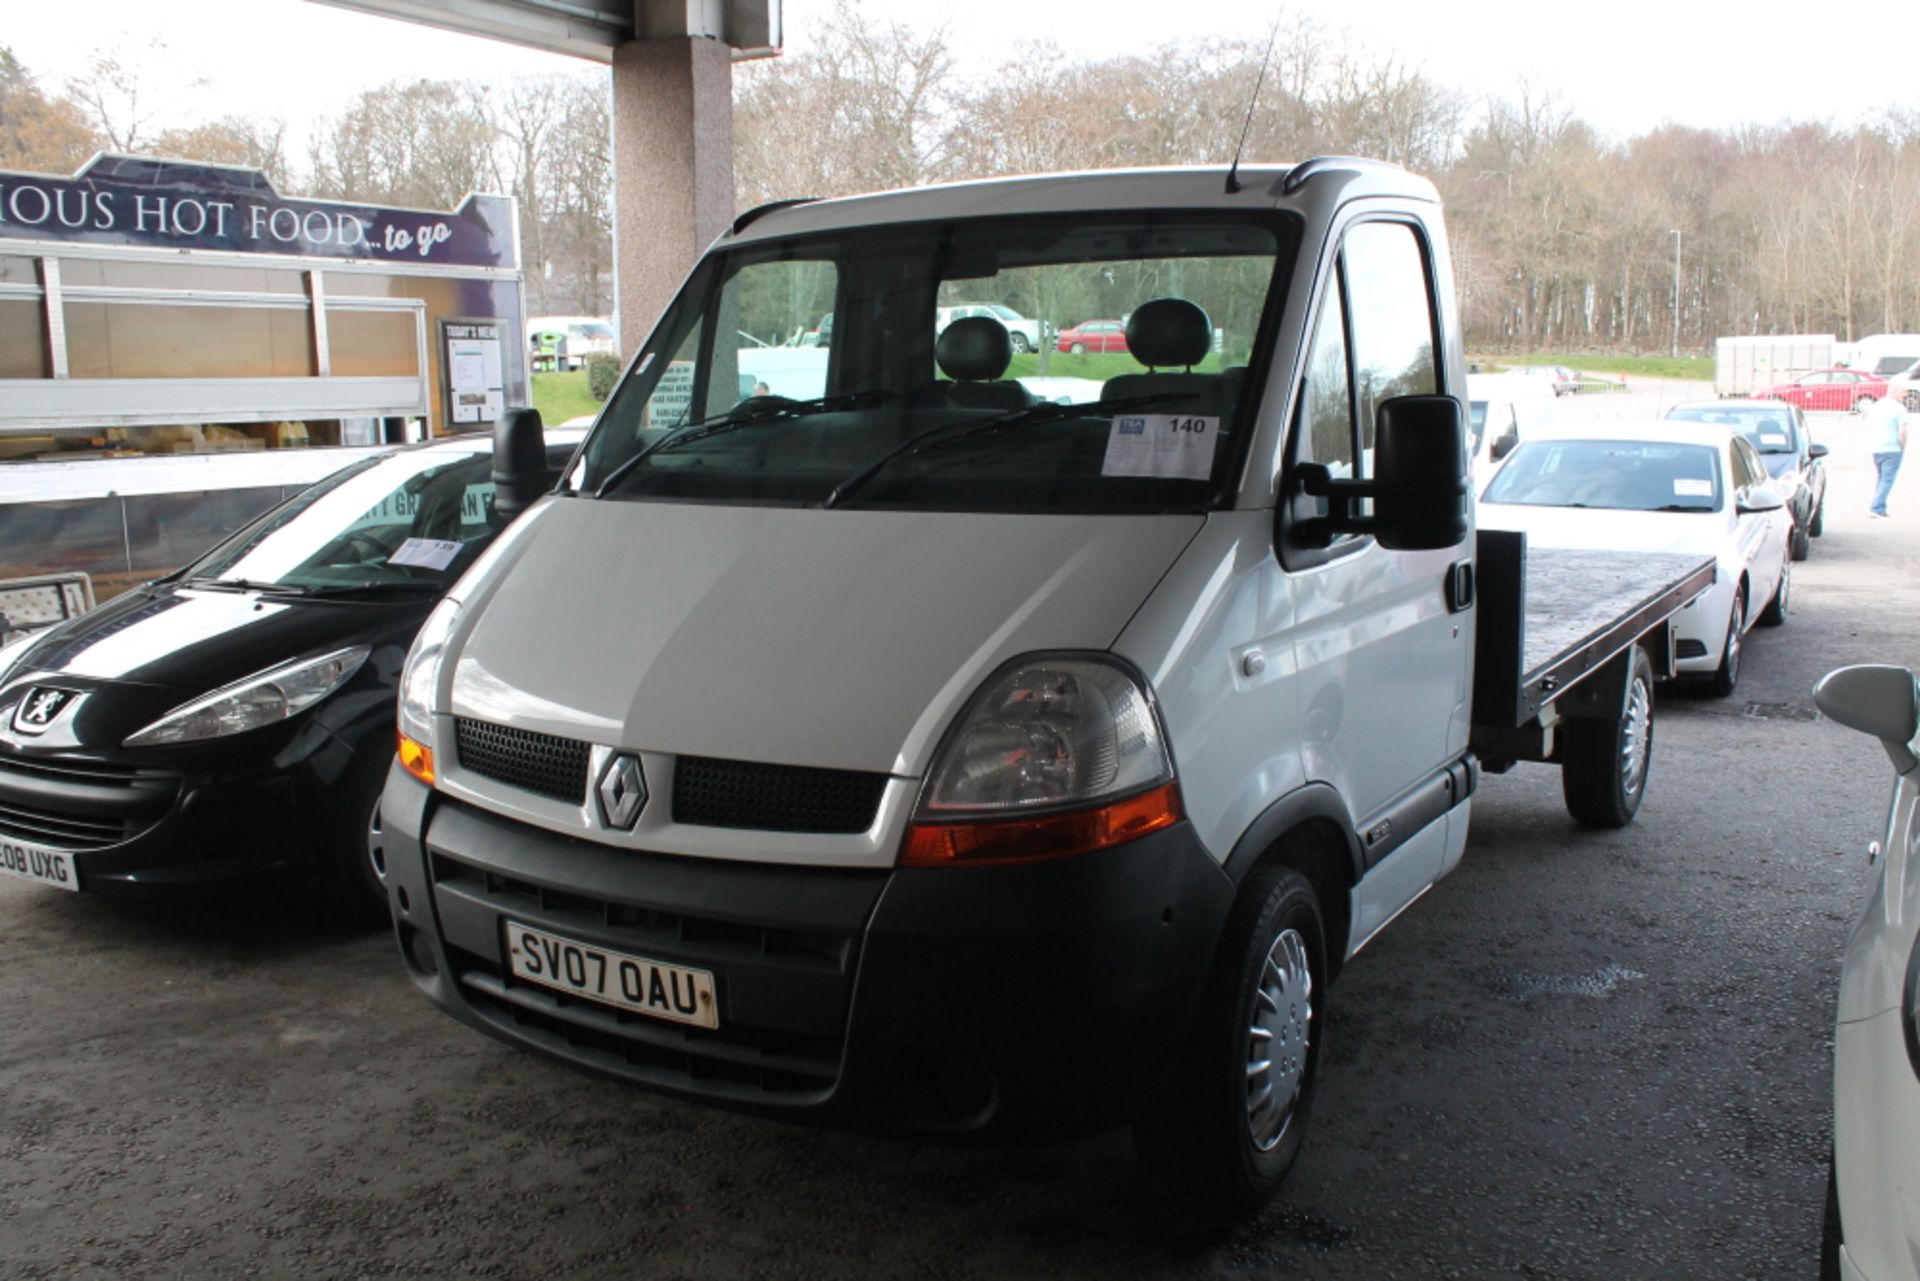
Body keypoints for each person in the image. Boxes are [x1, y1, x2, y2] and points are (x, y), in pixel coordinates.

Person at [1866, 392, 1909, 518]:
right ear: (1896, 392)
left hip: (1877, 447)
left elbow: (1868, 425)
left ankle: (1880, 507)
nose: (1904, 396)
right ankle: (1876, 507)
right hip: (1892, 448)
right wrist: (1902, 446)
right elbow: (1903, 432)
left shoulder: (1875, 407)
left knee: (1881, 478)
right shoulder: (1899, 409)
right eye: (1903, 393)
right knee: (1887, 479)